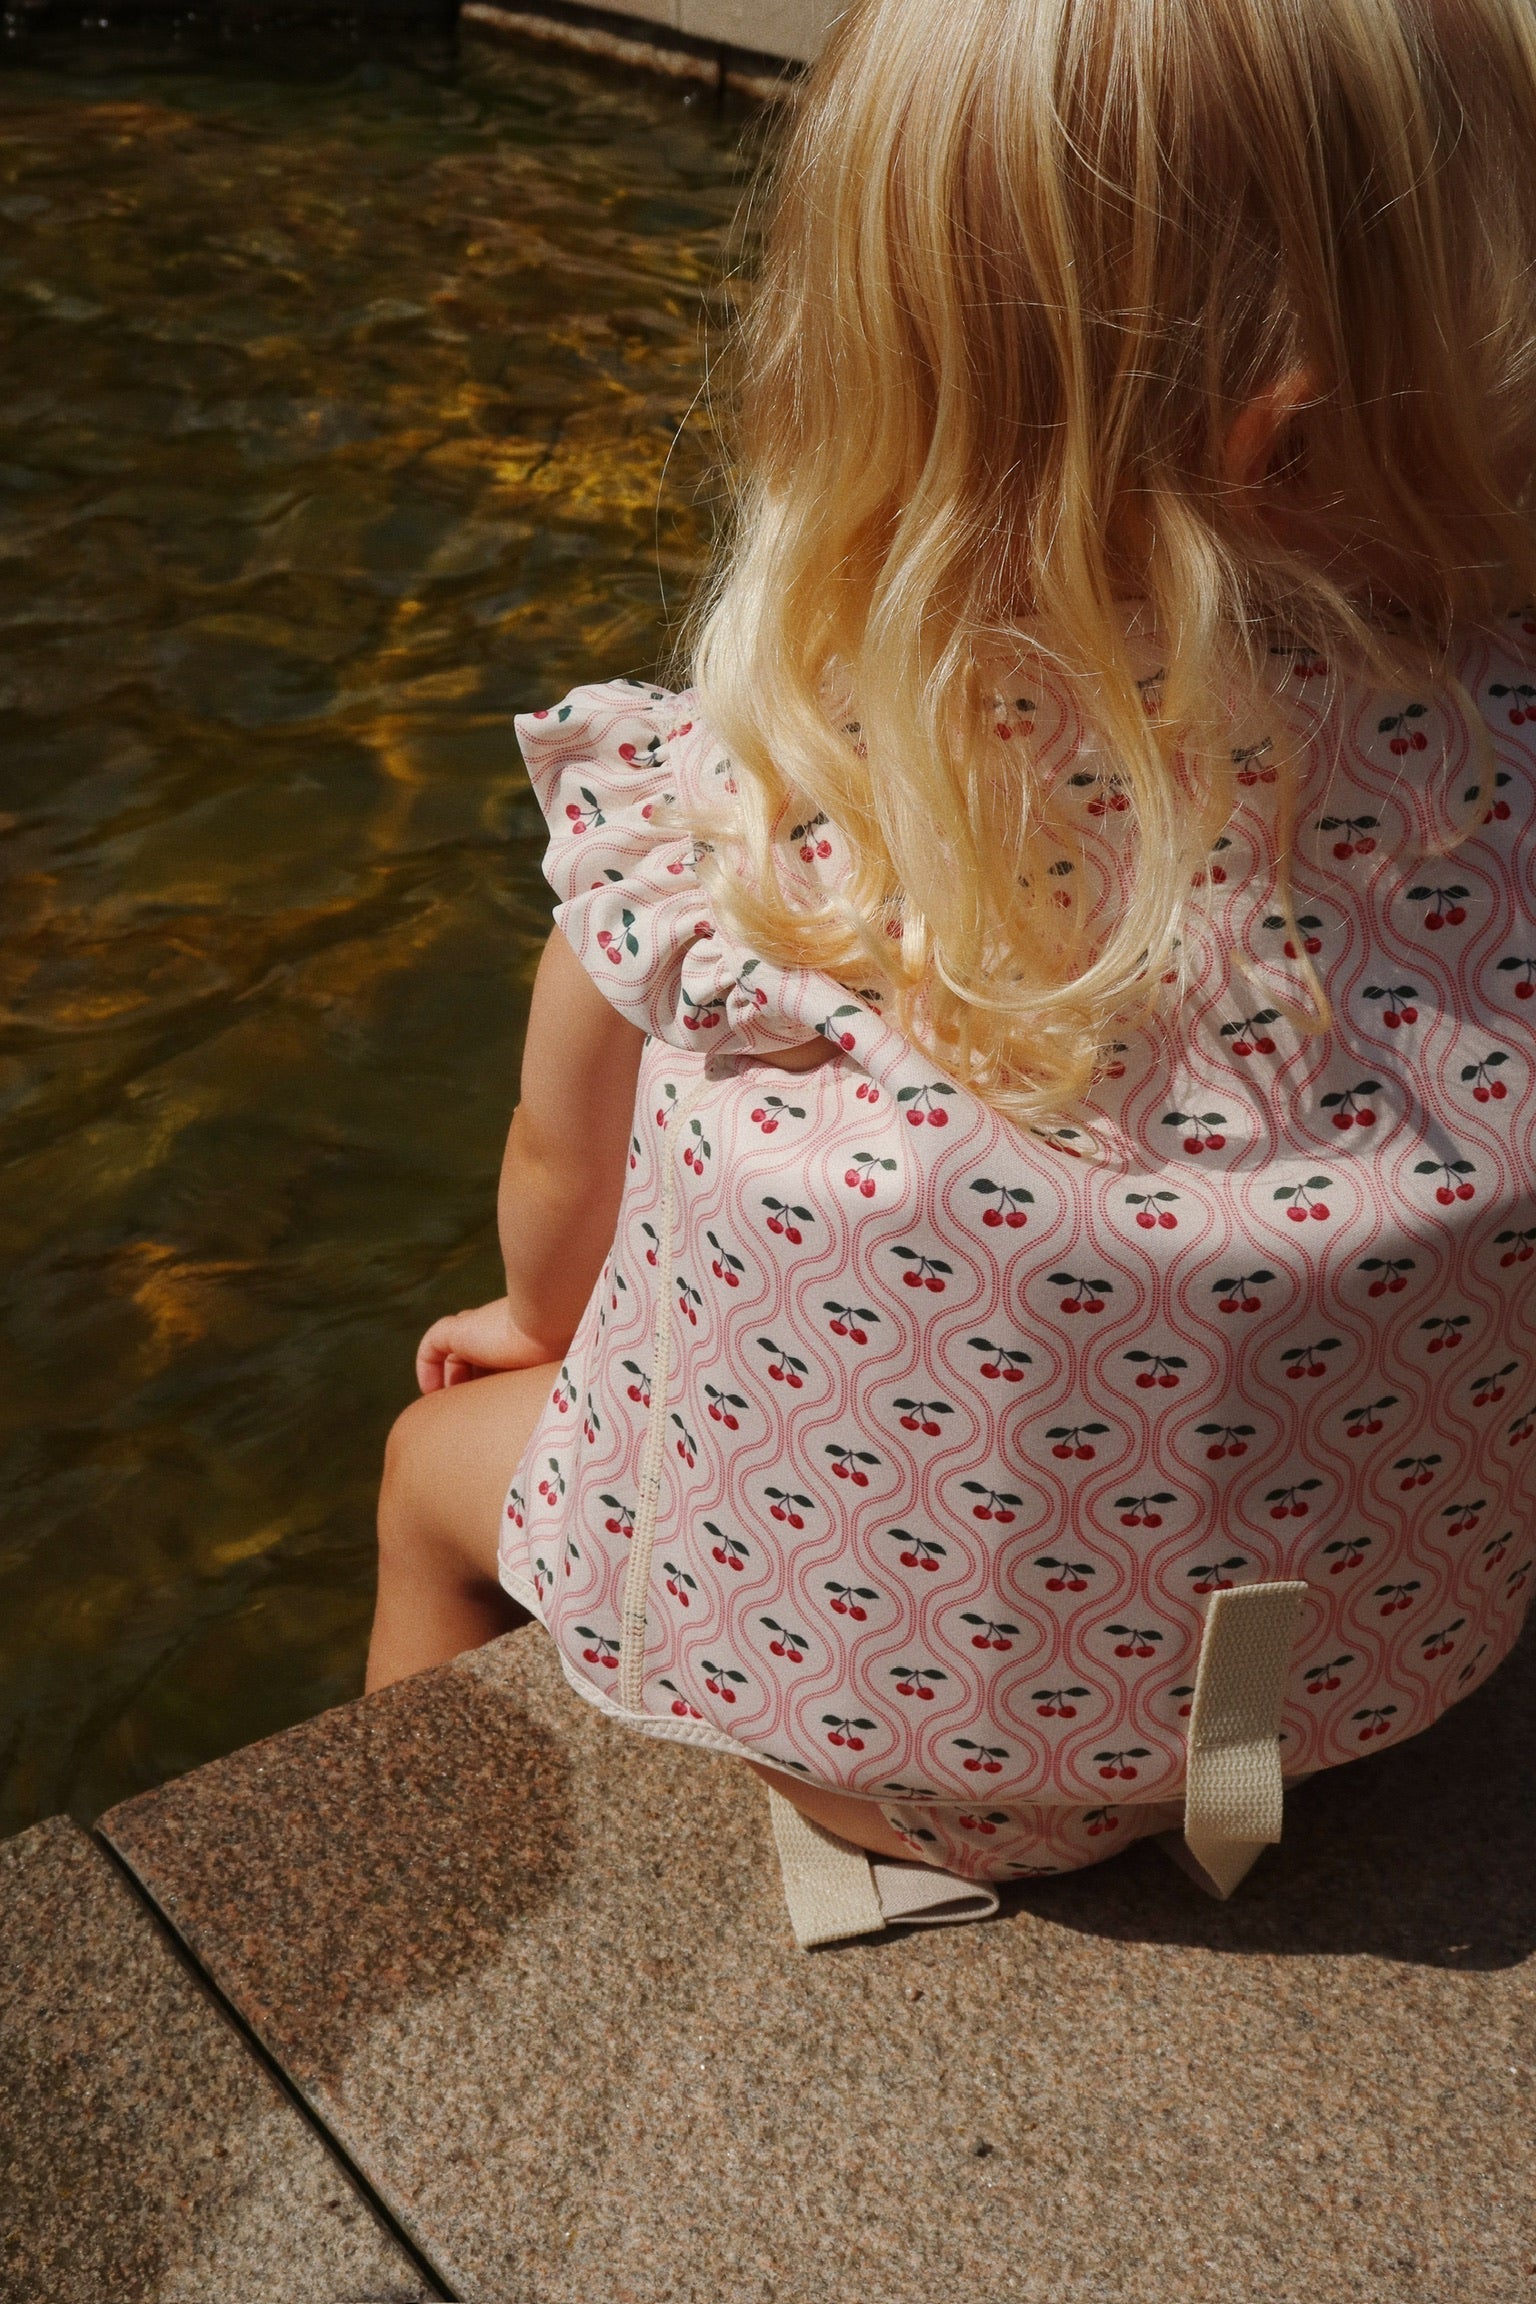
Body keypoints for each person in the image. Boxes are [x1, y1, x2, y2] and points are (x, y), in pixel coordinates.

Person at [367, 0, 1536, 1892]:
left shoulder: (762, 808)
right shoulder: (1498, 773)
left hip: (849, 1733)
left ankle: (402, 1894)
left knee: (431, 1475)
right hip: (1340, 1696)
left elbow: (562, 1175)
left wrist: (537, 1330)